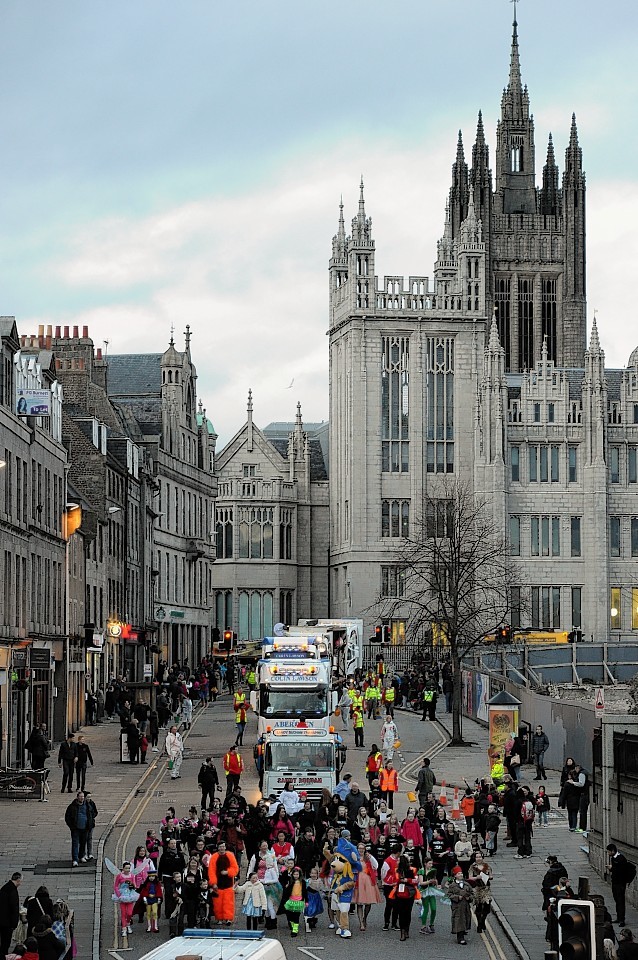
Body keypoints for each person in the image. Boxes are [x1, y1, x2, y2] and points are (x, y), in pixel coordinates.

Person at [208, 841, 239, 926]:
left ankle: (228, 918)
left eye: (223, 846)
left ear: (225, 847)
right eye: (220, 846)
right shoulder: (214, 857)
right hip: (218, 884)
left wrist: (227, 872)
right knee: (217, 903)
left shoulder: (230, 855)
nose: (221, 848)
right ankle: (219, 919)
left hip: (228, 883)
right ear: (218, 847)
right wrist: (213, 883)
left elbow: (235, 868)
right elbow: (211, 871)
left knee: (229, 902)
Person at [391, 854, 418, 941]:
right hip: (399, 893)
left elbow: (416, 881)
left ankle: (407, 929)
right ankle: (402, 931)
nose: (397, 862)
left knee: (408, 912)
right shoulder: (396, 871)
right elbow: (394, 880)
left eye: (398, 860)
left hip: (409, 893)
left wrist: (407, 880)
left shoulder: (412, 870)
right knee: (401, 913)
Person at [65, 790, 95, 866]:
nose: (82, 798)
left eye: (82, 796)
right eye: (80, 796)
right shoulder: (72, 806)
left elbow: (92, 813)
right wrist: (71, 826)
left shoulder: (87, 805)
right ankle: (75, 860)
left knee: (83, 843)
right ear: (77, 797)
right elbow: (67, 817)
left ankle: (81, 856)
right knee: (75, 844)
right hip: (76, 828)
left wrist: (89, 824)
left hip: (85, 828)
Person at [277, 864, 307, 938]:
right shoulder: (290, 881)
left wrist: (306, 901)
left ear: (300, 875)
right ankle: (292, 925)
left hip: (299, 901)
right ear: (292, 875)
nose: (296, 876)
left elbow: (305, 892)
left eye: (297, 874)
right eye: (294, 874)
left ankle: (295, 930)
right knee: (290, 915)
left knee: (296, 916)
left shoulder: (302, 882)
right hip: (291, 900)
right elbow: (286, 891)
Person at [607, 843, 631, 927]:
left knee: (620, 901)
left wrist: (612, 868)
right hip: (615, 882)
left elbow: (621, 871)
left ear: (613, 851)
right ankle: (618, 917)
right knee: (617, 900)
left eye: (609, 852)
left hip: (620, 884)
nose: (608, 853)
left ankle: (622, 920)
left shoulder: (621, 858)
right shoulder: (613, 858)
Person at [448, 865, 473, 945]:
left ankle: (463, 932)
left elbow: (472, 893)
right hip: (457, 906)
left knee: (465, 919)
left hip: (465, 906)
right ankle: (460, 938)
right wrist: (457, 897)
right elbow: (449, 895)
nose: (461, 875)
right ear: (455, 875)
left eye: (461, 873)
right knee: (458, 920)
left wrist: (469, 898)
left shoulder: (467, 884)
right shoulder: (452, 885)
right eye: (458, 874)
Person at [468, 854, 493, 933]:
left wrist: (489, 877)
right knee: (478, 908)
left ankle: (483, 921)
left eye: (480, 857)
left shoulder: (487, 866)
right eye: (477, 857)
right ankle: (479, 924)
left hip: (486, 889)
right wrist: (476, 877)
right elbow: (470, 877)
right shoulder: (472, 867)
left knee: (487, 907)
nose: (478, 858)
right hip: (477, 888)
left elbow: (491, 875)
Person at [0, 873, 22, 957]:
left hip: (1, 919)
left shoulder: (4, 888)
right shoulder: (13, 891)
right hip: (7, 922)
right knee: (5, 942)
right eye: (20, 881)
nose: (21, 883)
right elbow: (14, 909)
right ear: (18, 880)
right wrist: (14, 924)